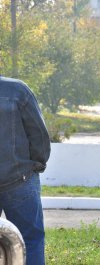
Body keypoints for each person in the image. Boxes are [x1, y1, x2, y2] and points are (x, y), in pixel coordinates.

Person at [0, 76, 51, 265]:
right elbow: (38, 134)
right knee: (31, 239)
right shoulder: (17, 91)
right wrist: (37, 164)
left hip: (20, 177)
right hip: (20, 179)